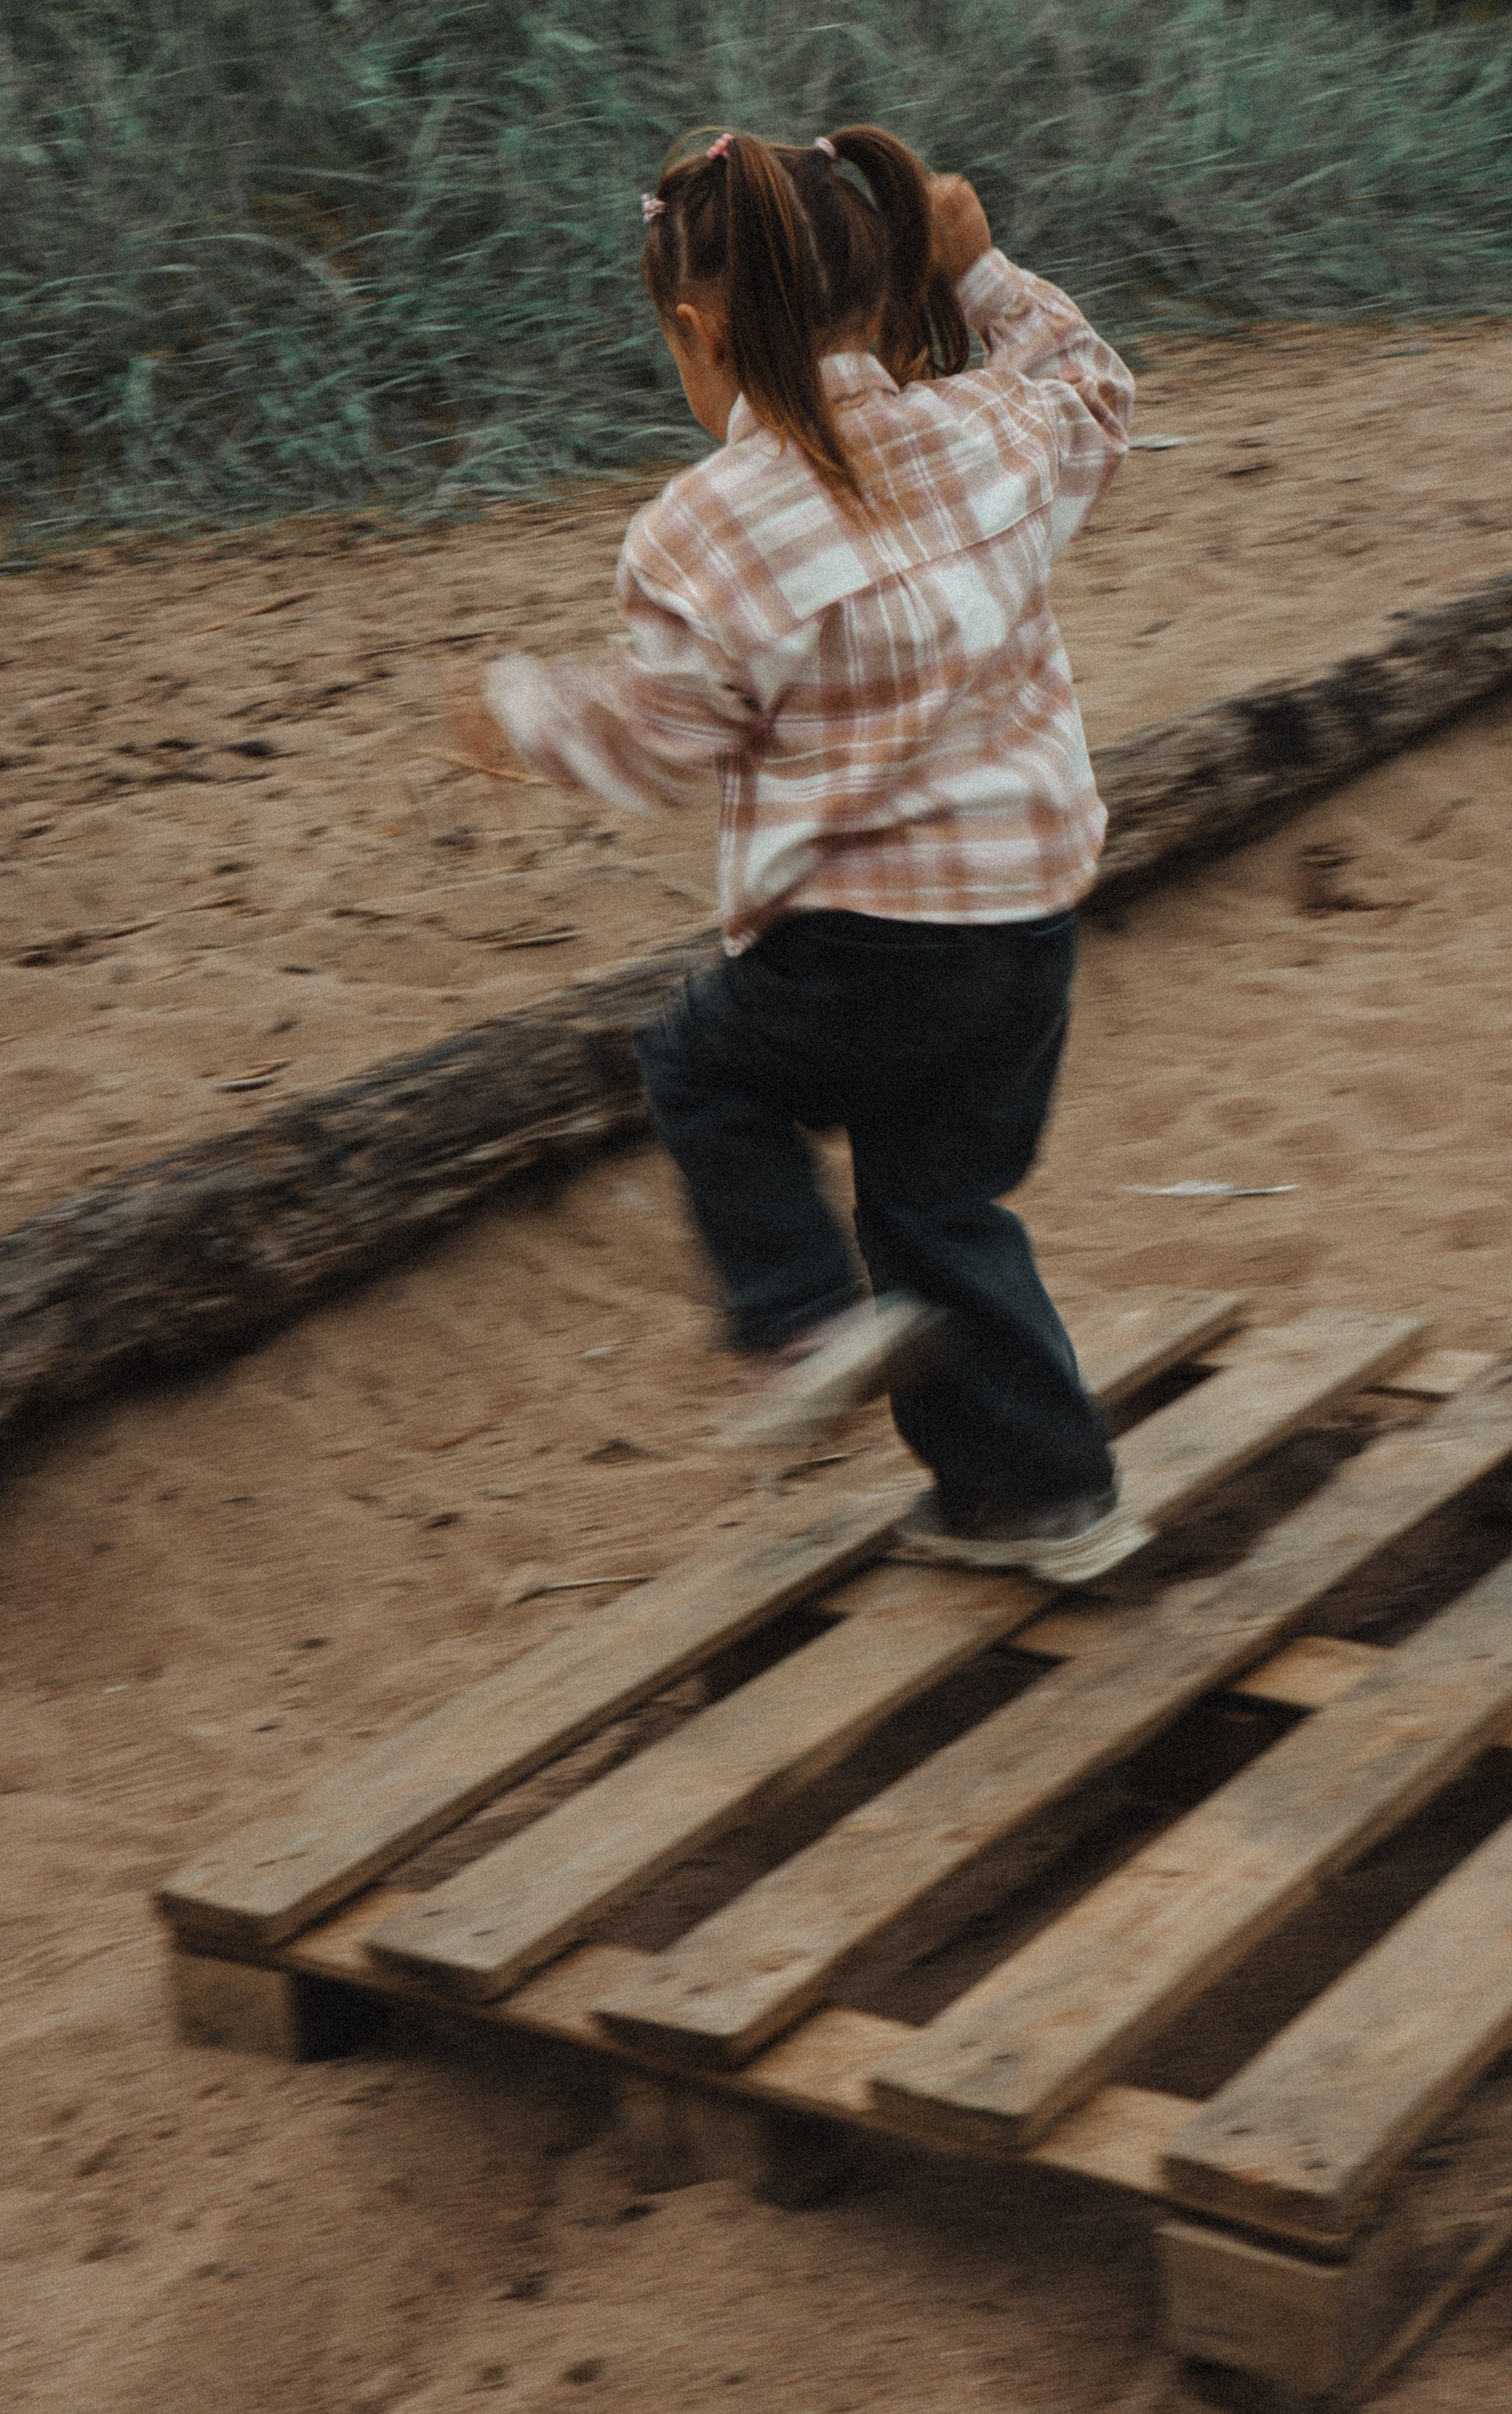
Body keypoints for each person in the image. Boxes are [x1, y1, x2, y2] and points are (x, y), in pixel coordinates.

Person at [448, 125, 1142, 1585]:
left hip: (857, 943)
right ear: (887, 287)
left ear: (696, 330)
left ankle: (802, 1323)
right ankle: (1041, 1497)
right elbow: (1093, 390)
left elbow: (660, 744)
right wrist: (987, 272)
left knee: (699, 1070)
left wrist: (525, 715)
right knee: (939, 1204)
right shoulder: (989, 428)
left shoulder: (700, 529)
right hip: (1027, 926)